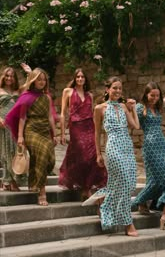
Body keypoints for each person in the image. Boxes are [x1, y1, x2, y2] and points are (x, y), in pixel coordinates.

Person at [132, 62, 165, 231]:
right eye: (152, 96)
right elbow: (130, 121)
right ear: (146, 94)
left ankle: (142, 202)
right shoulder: (140, 108)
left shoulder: (159, 107)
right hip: (150, 147)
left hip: (162, 145)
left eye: (157, 95)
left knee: (164, 178)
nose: (155, 98)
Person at [85, 76, 140, 236]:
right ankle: (128, 223)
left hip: (127, 146)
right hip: (113, 147)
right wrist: (98, 153)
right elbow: (97, 133)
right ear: (107, 90)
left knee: (128, 184)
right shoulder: (99, 108)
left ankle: (104, 201)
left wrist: (133, 109)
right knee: (122, 180)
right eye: (114, 88)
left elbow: (135, 125)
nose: (117, 91)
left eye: (119, 88)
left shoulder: (123, 106)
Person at [5, 68, 57, 206]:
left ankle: (34, 183)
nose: (41, 82)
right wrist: (21, 136)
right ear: (34, 80)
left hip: (45, 130)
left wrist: (55, 133)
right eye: (39, 79)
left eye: (44, 79)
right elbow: (22, 117)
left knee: (50, 160)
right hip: (31, 130)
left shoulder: (47, 97)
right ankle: (42, 192)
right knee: (42, 154)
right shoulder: (26, 96)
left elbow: (50, 116)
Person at [58, 68, 107, 199]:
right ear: (74, 78)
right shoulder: (67, 92)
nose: (80, 79)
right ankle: (84, 186)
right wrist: (62, 133)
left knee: (92, 155)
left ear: (85, 79)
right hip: (76, 127)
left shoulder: (90, 95)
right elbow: (63, 113)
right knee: (81, 156)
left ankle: (88, 186)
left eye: (82, 77)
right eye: (78, 77)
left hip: (89, 126)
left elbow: (93, 114)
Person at [0, 67, 20, 191]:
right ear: (3, 76)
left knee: (15, 152)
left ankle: (10, 181)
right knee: (7, 151)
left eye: (11, 76)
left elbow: (30, 84)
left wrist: (29, 72)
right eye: (7, 75)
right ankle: (9, 182)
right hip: (4, 124)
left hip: (16, 124)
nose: (9, 78)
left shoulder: (18, 90)